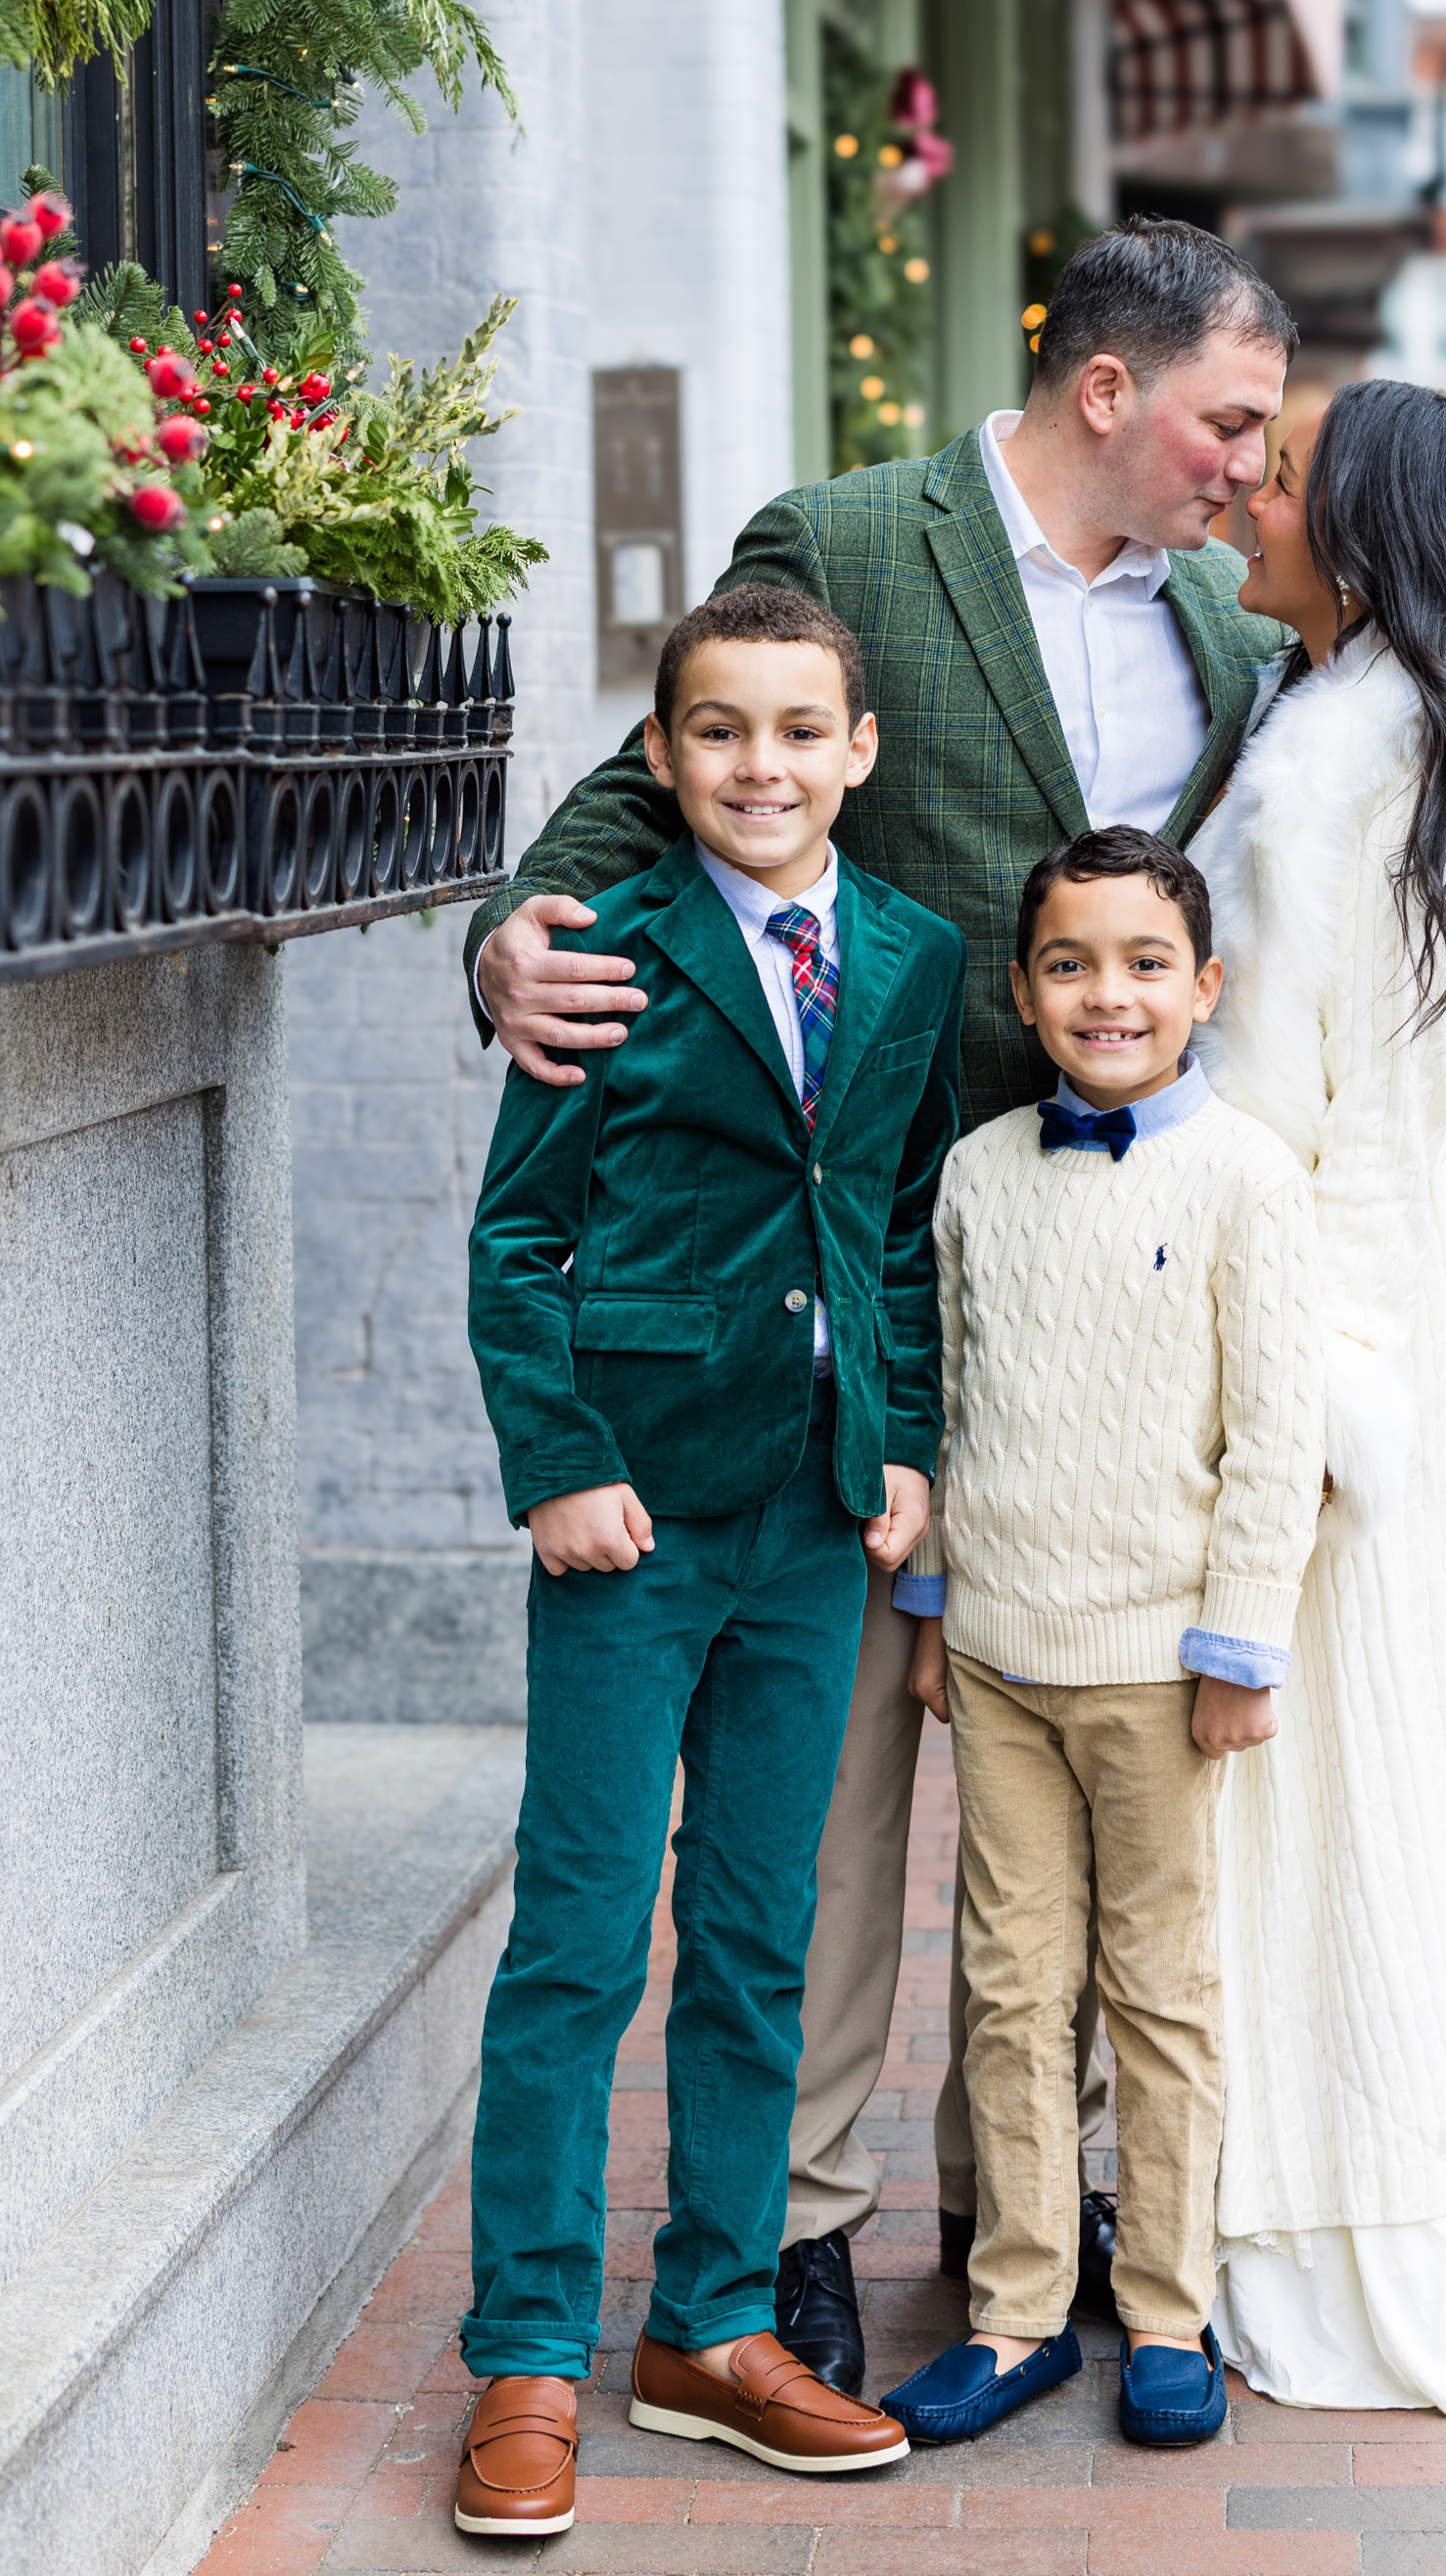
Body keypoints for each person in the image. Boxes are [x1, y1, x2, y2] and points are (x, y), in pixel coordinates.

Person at [464, 220, 1298, 2393]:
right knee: (822, 1801)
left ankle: (1049, 2217)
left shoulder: (1223, 611)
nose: (1247, 464)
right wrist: (506, 941)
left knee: (1087, 1756)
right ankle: (792, 2232)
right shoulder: (846, 538)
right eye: (1226, 419)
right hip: (854, 1246)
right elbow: (642, 786)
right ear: (1109, 391)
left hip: (1107, 1283)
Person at [452, 584, 964, 2536]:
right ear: (659, 759)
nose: (759, 766)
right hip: (634, 1521)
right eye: (717, 732)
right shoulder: (604, 948)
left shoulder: (908, 957)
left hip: (812, 1522)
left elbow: (894, 1225)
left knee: (758, 1936)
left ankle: (716, 2325)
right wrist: (556, 1462)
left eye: (794, 731)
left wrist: (902, 1438)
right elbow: (517, 1237)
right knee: (579, 1946)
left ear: (856, 752)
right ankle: (522, 2355)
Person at [1183, 378, 1446, 2413]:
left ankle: (1329, 2203)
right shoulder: (1432, 736)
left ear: (1366, 535)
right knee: (1420, 1739)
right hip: (1415, 1268)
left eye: (1279, 479)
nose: (1242, 502)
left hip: (1323, 1287)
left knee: (1314, 1766)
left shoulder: (1327, 754)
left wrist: (1272, 1393)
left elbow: (1260, 1098)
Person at [876, 827, 1325, 2453]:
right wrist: (932, 1618)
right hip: (999, 1651)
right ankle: (1014, 2313)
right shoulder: (979, 1172)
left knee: (1160, 1991)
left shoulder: (1247, 1179)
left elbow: (1277, 1435)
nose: (1107, 994)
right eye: (1069, 963)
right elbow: (958, 1406)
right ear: (1024, 988)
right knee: (1009, 1985)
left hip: (1156, 1667)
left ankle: (1166, 2309)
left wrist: (1239, 1647)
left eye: (1146, 964)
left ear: (1205, 987)